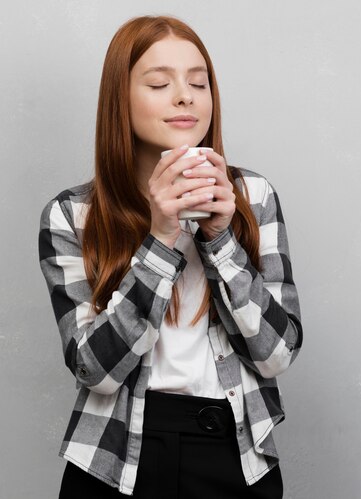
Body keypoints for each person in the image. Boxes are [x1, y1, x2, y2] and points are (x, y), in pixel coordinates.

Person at [38, 15, 302, 498]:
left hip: (231, 448)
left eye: (198, 82)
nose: (185, 96)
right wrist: (159, 239)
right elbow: (94, 372)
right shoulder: (72, 215)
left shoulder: (252, 197)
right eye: (160, 83)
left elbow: (277, 355)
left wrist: (220, 238)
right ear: (121, 98)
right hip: (113, 458)